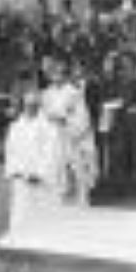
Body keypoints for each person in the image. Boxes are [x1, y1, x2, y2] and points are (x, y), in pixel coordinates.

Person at [42, 58, 98, 206]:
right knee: (58, 177)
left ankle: (82, 205)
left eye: (59, 73)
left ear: (64, 75)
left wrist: (67, 121)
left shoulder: (74, 93)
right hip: (54, 140)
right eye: (53, 73)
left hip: (72, 139)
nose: (56, 76)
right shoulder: (46, 94)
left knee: (77, 175)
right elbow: (44, 117)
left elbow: (83, 118)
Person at [4, 91, 61, 229]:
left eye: (34, 105)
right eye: (27, 105)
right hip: (22, 179)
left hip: (42, 181)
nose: (30, 108)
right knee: (22, 214)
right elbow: (11, 151)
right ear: (23, 106)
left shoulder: (48, 127)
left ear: (38, 106)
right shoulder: (16, 127)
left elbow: (51, 152)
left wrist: (39, 173)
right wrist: (15, 171)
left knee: (45, 216)